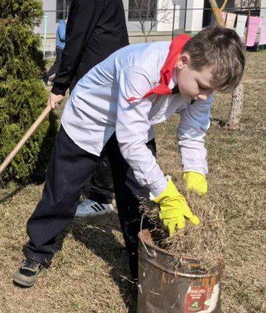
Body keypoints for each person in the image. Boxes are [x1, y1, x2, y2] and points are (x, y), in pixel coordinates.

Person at [14, 26, 246, 288]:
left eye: (211, 91)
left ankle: (142, 260)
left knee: (138, 196)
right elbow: (132, 143)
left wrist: (195, 176)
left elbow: (192, 133)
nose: (205, 96)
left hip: (135, 120)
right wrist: (166, 193)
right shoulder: (143, 66)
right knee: (63, 189)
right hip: (92, 117)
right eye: (203, 87)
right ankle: (38, 251)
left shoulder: (200, 80)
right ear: (183, 61)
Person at [44, 0, 130, 219]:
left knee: (100, 136)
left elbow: (75, 40)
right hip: (99, 72)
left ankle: (100, 197)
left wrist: (59, 87)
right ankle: (99, 191)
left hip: (101, 76)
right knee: (103, 135)